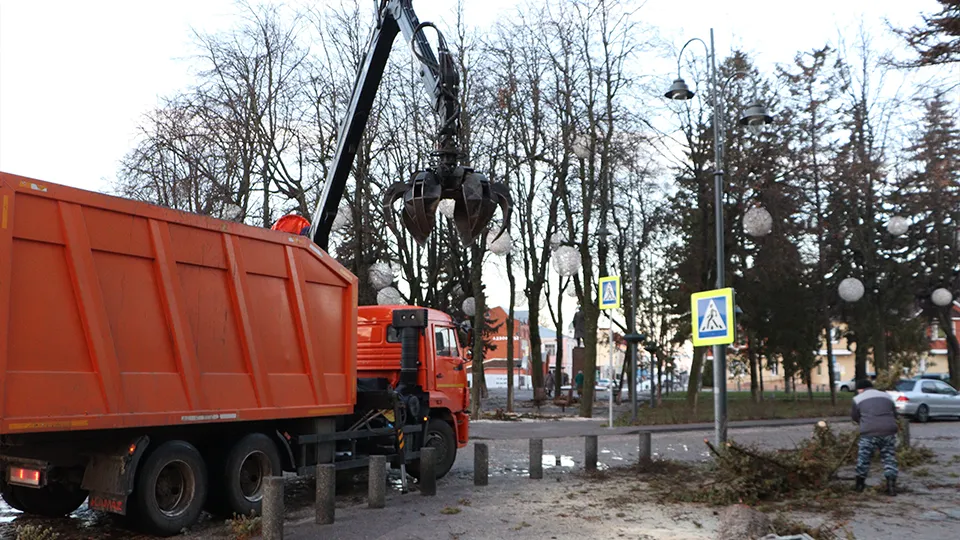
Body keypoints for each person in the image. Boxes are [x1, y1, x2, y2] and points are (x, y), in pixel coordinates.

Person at [851, 379, 899, 496]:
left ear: (860, 389)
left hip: (869, 432)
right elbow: (894, 413)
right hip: (888, 431)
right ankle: (891, 486)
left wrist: (864, 423)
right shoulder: (887, 396)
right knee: (889, 457)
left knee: (864, 458)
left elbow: (855, 417)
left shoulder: (857, 399)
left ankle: (859, 486)